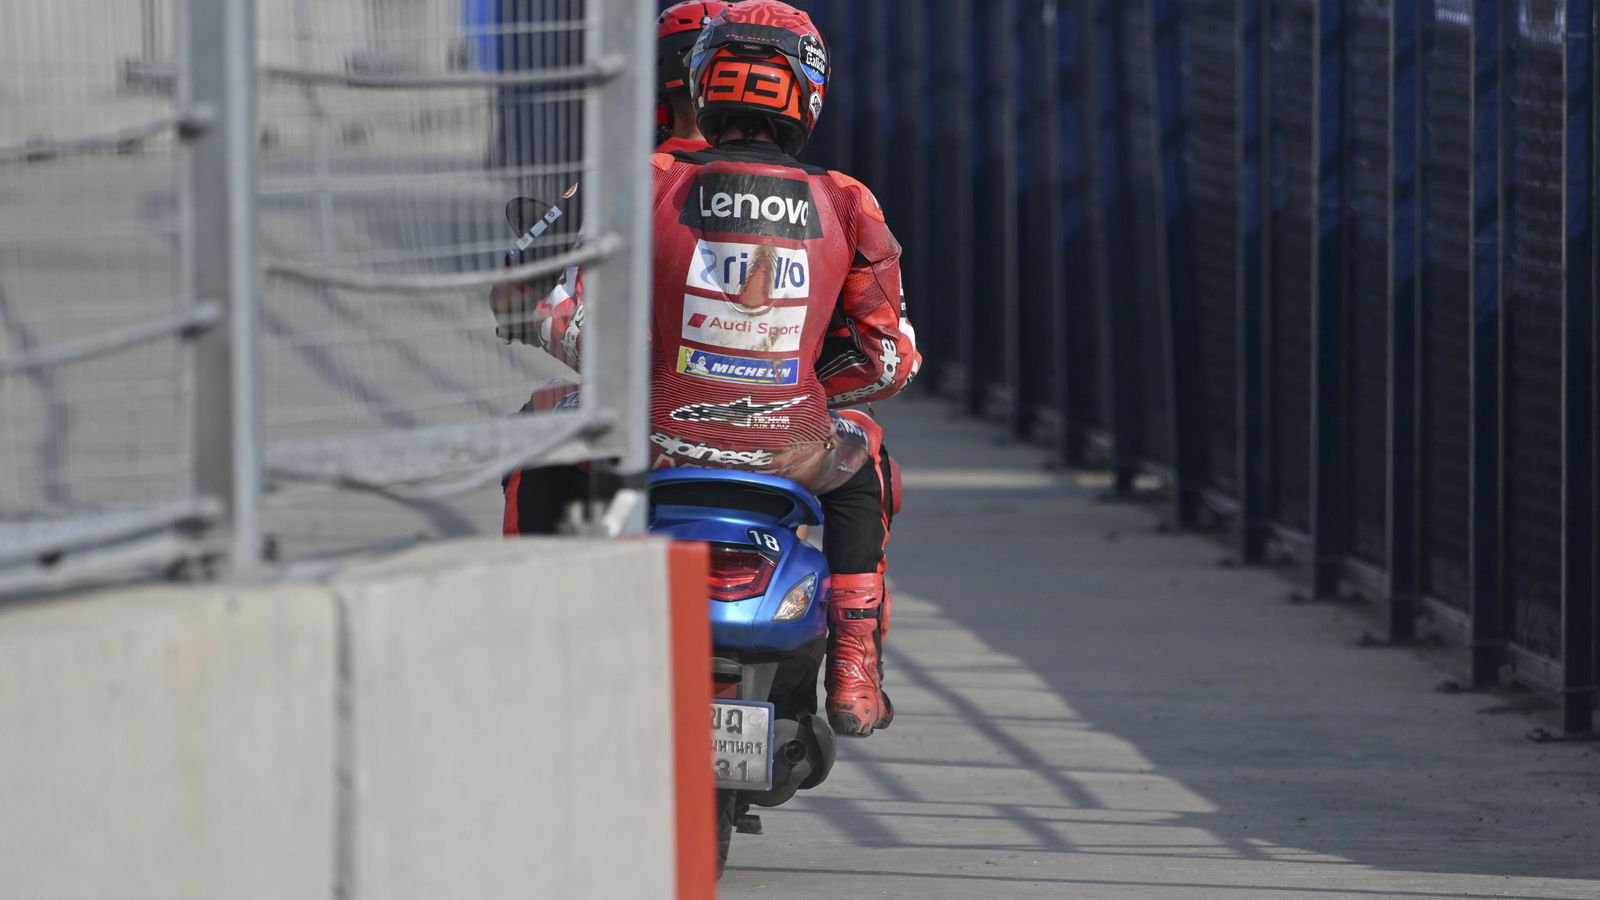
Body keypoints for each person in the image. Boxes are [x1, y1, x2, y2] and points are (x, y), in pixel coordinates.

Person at [492, 1, 733, 535]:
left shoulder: (619, 179)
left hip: (645, 412)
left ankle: (532, 591)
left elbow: (513, 289)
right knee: (859, 450)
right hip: (772, 419)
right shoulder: (817, 188)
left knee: (539, 424)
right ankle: (856, 608)